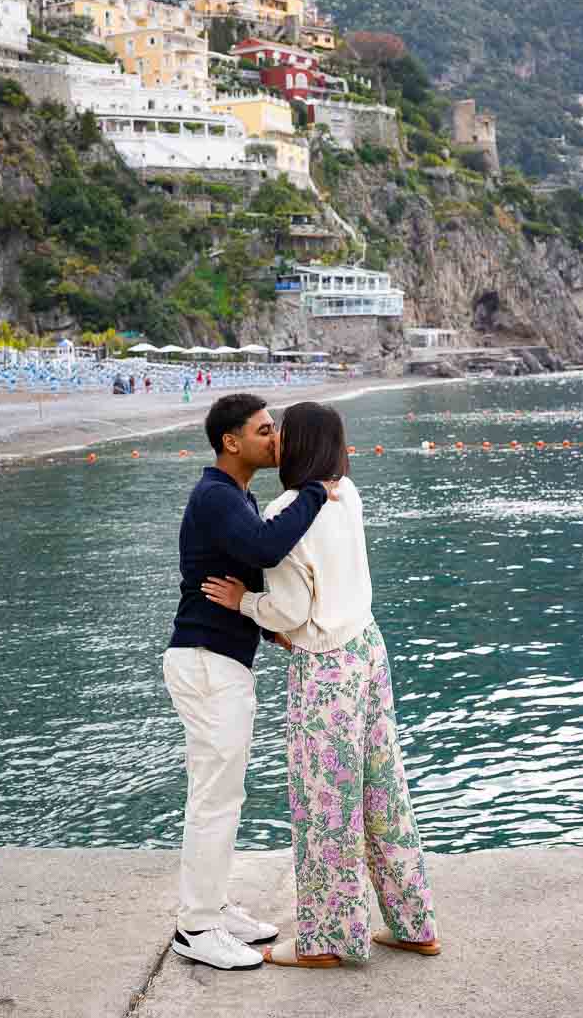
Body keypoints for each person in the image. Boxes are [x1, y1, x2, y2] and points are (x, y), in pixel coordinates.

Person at [202, 401, 439, 969]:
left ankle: (329, 940)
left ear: (299, 442)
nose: (274, 437)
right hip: (368, 650)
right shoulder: (347, 494)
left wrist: (246, 601)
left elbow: (288, 608)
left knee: (325, 803)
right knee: (384, 792)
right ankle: (414, 923)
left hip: (326, 667)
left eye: (282, 430)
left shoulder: (289, 511)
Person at [163, 394, 334, 972]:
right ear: (231, 441)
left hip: (219, 659)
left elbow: (246, 573)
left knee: (223, 795)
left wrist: (271, 632)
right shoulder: (215, 495)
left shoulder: (236, 496)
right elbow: (265, 547)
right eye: (265, 430)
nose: (276, 438)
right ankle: (195, 927)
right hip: (206, 661)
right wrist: (316, 488)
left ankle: (211, 906)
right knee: (214, 799)